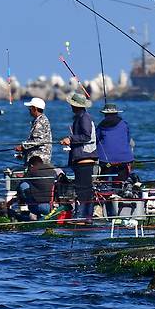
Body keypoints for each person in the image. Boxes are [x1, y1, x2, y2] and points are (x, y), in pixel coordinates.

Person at [60, 93, 98, 223]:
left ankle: (84, 216)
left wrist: (70, 139)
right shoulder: (81, 117)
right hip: (82, 159)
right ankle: (85, 216)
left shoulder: (84, 118)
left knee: (84, 189)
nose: (71, 106)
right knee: (84, 189)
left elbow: (86, 136)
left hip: (85, 159)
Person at [7, 156, 60, 220]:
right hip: (53, 206)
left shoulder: (32, 172)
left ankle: (22, 205)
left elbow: (20, 186)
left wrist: (11, 202)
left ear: (31, 166)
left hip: (39, 207)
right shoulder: (52, 171)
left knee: (23, 184)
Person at [96, 103, 134, 183]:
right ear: (117, 113)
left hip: (106, 161)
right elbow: (128, 140)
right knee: (121, 183)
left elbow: (96, 140)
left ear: (105, 114)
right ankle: (120, 192)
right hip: (124, 159)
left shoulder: (100, 126)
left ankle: (103, 192)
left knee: (103, 182)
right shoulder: (124, 124)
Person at [16, 97, 52, 165]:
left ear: (35, 108)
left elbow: (37, 141)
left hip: (39, 160)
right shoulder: (40, 120)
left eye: (30, 108)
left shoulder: (40, 121)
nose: (29, 110)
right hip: (36, 159)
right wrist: (24, 153)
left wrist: (22, 147)